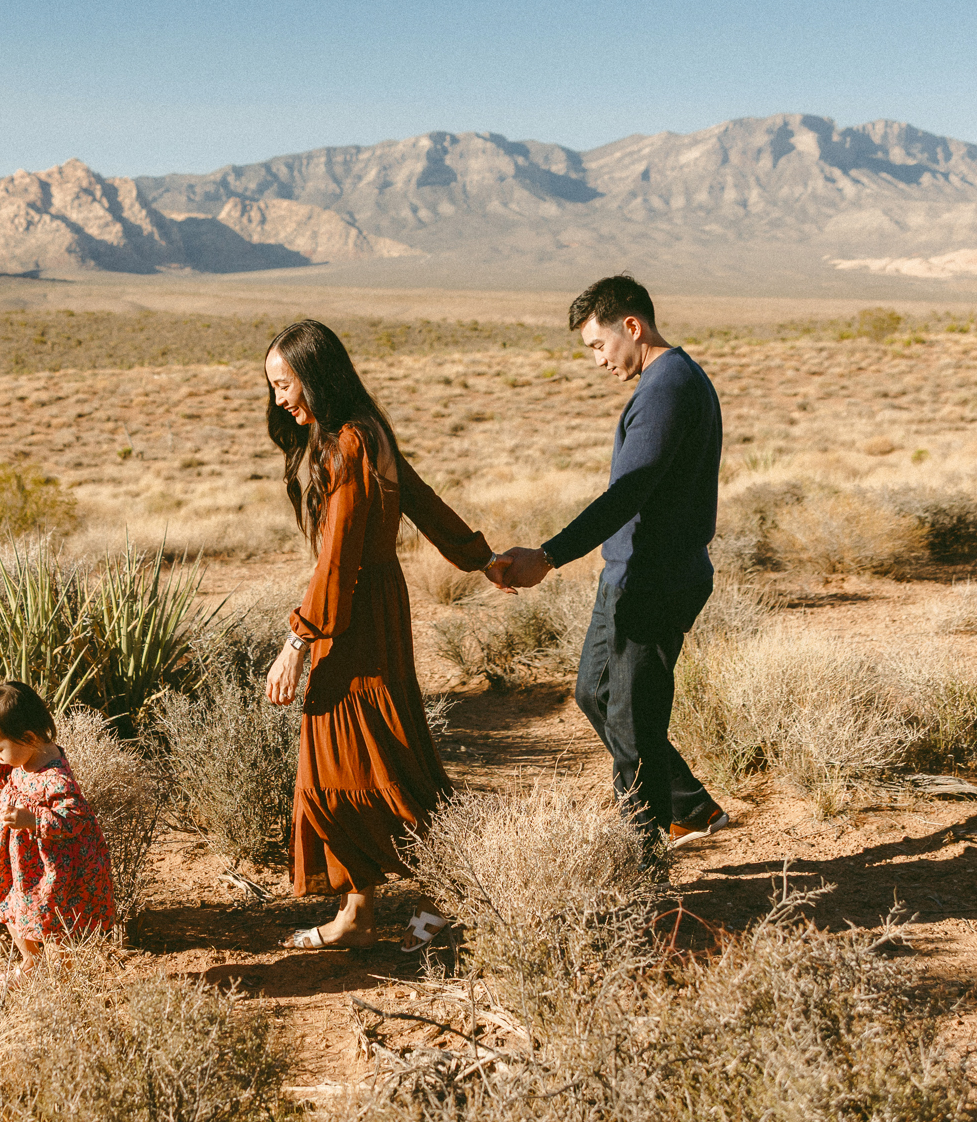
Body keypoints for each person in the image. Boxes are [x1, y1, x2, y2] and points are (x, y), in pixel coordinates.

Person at [262, 319, 492, 952]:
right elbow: (420, 498)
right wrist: (477, 556)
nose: (282, 399)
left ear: (317, 374)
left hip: (355, 613)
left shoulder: (355, 441)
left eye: (287, 384)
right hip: (370, 606)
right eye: (274, 387)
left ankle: (453, 895)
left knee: (362, 756)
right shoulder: (365, 430)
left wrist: (297, 642)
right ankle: (361, 912)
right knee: (369, 751)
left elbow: (339, 558)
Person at [489, 275, 728, 852]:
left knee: (632, 720)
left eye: (598, 345)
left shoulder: (668, 387)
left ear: (632, 326)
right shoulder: (666, 382)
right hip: (629, 572)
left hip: (655, 578)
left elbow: (629, 492)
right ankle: (689, 808)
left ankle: (641, 856)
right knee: (597, 694)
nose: (597, 360)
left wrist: (549, 555)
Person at [0, 681, 116, 975]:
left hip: (50, 871)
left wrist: (33, 819)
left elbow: (75, 816)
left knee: (51, 921)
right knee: (13, 909)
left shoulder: (56, 776)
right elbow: (17, 788)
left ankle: (61, 977)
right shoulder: (26, 758)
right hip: (22, 867)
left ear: (28, 737)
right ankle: (31, 961)